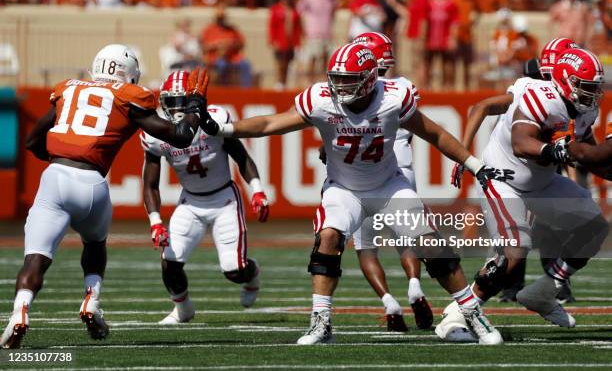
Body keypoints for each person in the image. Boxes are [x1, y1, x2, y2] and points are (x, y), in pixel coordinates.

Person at [199, 43, 515, 345]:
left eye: (347, 80)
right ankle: (320, 322)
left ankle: (472, 314)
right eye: (336, 79)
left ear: (368, 79)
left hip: (389, 186)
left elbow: (435, 134)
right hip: (343, 188)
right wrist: (223, 129)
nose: (339, 87)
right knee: (328, 239)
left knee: (431, 245)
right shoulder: (321, 99)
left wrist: (473, 163)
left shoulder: (393, 98)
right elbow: (271, 123)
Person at [0, 45, 208, 349]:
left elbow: (33, 141)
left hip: (57, 176)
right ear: (130, 74)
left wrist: (63, 155)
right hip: (94, 184)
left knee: (36, 258)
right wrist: (194, 109)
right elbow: (180, 136)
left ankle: (19, 312)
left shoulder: (67, 90)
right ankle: (92, 300)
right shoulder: (130, 96)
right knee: (95, 244)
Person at [440, 47, 607, 339]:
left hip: (541, 183)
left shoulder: (586, 109)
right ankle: (458, 313)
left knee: (594, 228)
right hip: (504, 179)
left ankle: (545, 291)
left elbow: (590, 155)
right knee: (514, 253)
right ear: (564, 80)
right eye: (585, 87)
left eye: (594, 88)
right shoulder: (540, 96)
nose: (591, 94)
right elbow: (520, 142)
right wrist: (554, 149)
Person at [141, 70, 270, 324]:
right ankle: (183, 309)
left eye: (181, 102)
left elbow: (240, 156)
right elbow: (150, 183)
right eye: (171, 102)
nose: (176, 108)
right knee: (169, 260)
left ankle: (252, 273)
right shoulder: (156, 134)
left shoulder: (214, 119)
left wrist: (257, 189)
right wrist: (155, 222)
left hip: (224, 199)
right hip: (190, 201)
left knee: (234, 271)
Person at [349, 32, 433, 331]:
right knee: (407, 241)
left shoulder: (355, 93)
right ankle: (413, 285)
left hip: (362, 174)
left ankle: (388, 301)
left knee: (366, 247)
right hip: (401, 174)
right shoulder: (405, 88)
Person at [296, 0, 338, 84]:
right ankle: (310, 83)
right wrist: (303, 30)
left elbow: (333, 12)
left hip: (327, 33)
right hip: (313, 32)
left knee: (325, 59)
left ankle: (324, 83)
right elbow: (299, 11)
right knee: (313, 58)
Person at [200, 5, 253, 87]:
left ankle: (245, 92)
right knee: (223, 65)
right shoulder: (209, 30)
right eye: (219, 18)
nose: (221, 20)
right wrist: (216, 45)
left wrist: (231, 44)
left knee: (246, 65)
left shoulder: (232, 29)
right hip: (215, 58)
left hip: (232, 57)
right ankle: (224, 92)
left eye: (222, 17)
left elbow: (241, 43)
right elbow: (203, 46)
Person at [423, 0, 459, 90]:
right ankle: (426, 88)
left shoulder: (451, 3)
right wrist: (422, 38)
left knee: (447, 63)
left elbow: (454, 22)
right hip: (430, 38)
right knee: (427, 62)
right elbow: (424, 21)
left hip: (445, 38)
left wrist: (452, 38)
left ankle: (448, 87)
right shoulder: (428, 2)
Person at [268, 0, 302, 89]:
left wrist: (298, 42)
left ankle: (285, 82)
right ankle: (279, 82)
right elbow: (272, 26)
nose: (287, 0)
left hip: (291, 41)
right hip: (280, 41)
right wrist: (273, 41)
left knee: (288, 63)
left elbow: (298, 27)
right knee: (280, 63)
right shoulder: (275, 9)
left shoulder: (294, 10)